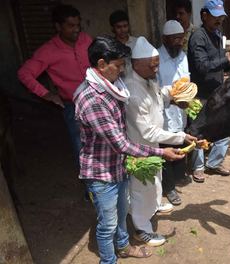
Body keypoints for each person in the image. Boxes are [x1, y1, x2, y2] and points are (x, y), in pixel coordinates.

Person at [73, 35, 184, 264]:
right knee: (108, 224)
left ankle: (123, 247)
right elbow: (121, 143)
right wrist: (163, 152)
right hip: (101, 172)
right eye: (120, 65)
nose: (123, 70)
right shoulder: (92, 98)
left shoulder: (113, 86)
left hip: (117, 165)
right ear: (102, 64)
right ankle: (108, 260)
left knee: (122, 214)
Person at [124, 36, 197, 247]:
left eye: (157, 65)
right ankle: (141, 229)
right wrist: (180, 137)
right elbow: (148, 132)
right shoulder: (133, 90)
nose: (157, 70)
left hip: (153, 145)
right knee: (141, 189)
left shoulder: (148, 78)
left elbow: (159, 96)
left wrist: (172, 94)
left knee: (155, 181)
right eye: (153, 66)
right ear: (137, 64)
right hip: (140, 147)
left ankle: (154, 206)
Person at [18, 4, 92, 165]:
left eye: (78, 25)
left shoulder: (86, 40)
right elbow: (24, 73)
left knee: (103, 145)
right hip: (74, 107)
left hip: (96, 102)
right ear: (58, 26)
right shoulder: (48, 51)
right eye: (71, 26)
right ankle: (91, 188)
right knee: (83, 150)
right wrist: (47, 94)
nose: (76, 30)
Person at [187, 0, 230, 183]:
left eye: (221, 17)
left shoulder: (217, 34)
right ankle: (198, 167)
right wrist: (226, 58)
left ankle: (215, 162)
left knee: (224, 128)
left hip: (217, 91)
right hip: (201, 94)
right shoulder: (198, 37)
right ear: (204, 16)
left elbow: (219, 66)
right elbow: (202, 67)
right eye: (216, 17)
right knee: (198, 131)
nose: (219, 20)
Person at [158, 20, 190, 206]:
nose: (179, 42)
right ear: (164, 39)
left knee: (180, 143)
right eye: (174, 39)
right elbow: (156, 90)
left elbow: (187, 81)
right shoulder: (156, 58)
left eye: (181, 38)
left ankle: (178, 177)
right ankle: (168, 188)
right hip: (163, 114)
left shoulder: (183, 56)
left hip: (180, 111)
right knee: (165, 150)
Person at [109, 10, 137, 80]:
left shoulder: (137, 43)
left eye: (125, 26)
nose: (123, 30)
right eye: (119, 27)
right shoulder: (110, 46)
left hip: (138, 84)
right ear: (113, 28)